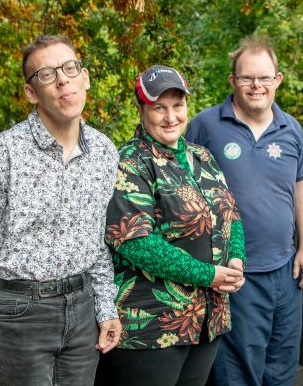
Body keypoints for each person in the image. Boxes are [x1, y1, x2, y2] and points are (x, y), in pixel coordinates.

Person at [0, 34, 122, 386]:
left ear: (84, 78)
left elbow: (97, 241)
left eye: (69, 68)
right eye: (46, 74)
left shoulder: (104, 152)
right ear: (31, 93)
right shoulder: (2, 155)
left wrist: (105, 307)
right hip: (19, 314)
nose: (62, 80)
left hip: (83, 310)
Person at [95, 65, 247, 386]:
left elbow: (230, 213)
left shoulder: (202, 157)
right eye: (158, 107)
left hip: (208, 319)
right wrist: (209, 274)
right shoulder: (130, 161)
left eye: (177, 106)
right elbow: (136, 242)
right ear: (141, 109)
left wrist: (235, 260)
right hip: (152, 326)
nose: (170, 117)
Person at [185, 36, 303, 386]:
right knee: (237, 373)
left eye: (263, 77)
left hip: (286, 271)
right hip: (234, 273)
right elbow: (182, 192)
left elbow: (302, 187)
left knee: (281, 367)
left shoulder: (291, 129)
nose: (256, 86)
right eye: (246, 78)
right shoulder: (205, 125)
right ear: (232, 81)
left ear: (278, 79)